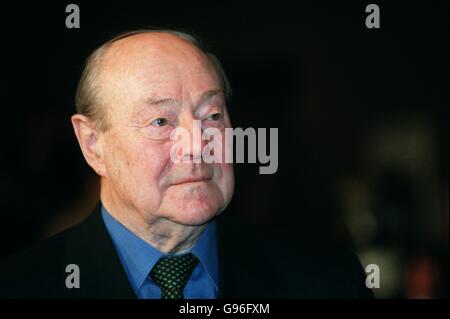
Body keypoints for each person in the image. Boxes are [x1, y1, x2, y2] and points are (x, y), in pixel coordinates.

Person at [0, 29, 374, 299]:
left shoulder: (327, 281)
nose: (196, 145)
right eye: (161, 122)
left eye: (211, 116)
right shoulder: (20, 286)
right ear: (93, 144)